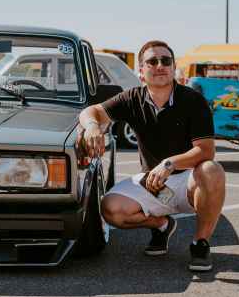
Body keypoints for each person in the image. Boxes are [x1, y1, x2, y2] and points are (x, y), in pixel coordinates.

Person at [77, 40, 226, 271]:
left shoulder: (193, 100)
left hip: (188, 181)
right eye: (152, 61)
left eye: (166, 61)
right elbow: (91, 111)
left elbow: (206, 150)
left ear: (173, 67)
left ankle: (200, 243)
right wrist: (92, 126)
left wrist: (169, 163)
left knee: (212, 170)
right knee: (110, 209)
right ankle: (161, 225)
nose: (160, 66)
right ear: (141, 71)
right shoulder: (132, 98)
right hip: (152, 183)